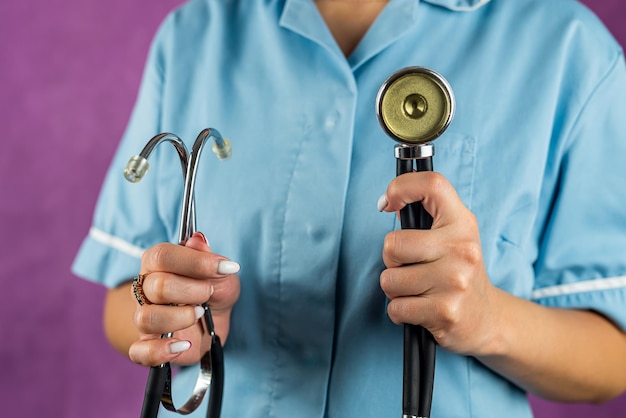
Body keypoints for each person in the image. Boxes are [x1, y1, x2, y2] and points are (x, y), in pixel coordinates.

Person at [72, 0, 626, 417]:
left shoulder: (565, 47)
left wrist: (489, 320)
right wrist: (181, 320)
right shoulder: (196, 35)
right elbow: (125, 300)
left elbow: (611, 358)